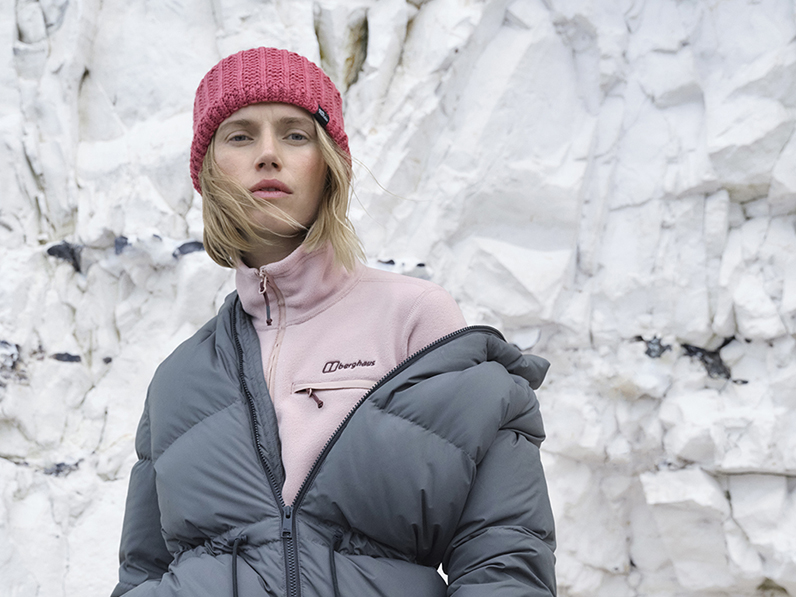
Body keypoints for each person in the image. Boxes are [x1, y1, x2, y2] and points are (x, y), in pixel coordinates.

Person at [112, 47, 556, 597]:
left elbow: (503, 553)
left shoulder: (415, 318)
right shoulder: (178, 379)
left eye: (296, 135)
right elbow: (143, 575)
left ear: (329, 165)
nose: (268, 154)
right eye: (241, 135)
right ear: (209, 170)